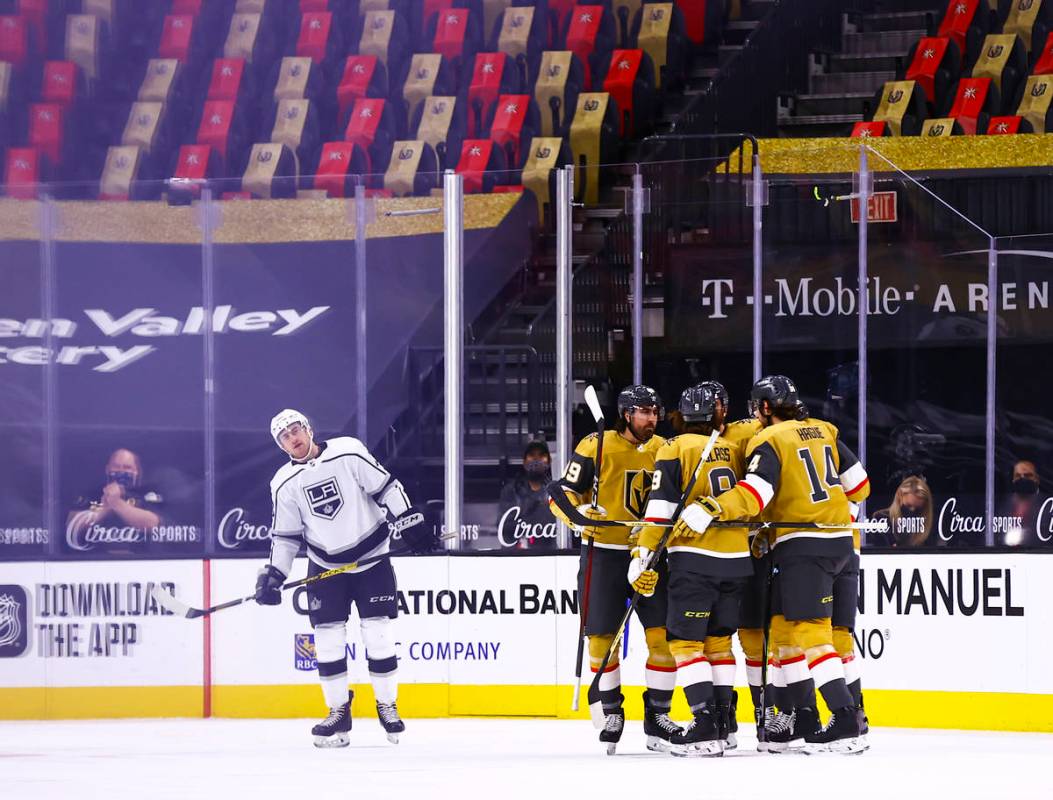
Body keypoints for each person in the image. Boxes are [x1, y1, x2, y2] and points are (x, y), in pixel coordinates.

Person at [675, 376, 871, 754]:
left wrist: (712, 507)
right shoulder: (825, 430)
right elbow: (860, 487)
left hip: (802, 545)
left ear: (765, 408)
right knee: (791, 632)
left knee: (811, 633)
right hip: (842, 543)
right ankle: (818, 716)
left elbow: (754, 493)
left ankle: (844, 717)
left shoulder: (769, 439)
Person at [254, 409, 438, 748]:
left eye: (296, 429)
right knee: (327, 640)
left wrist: (410, 521)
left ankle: (387, 704)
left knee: (378, 633)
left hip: (372, 558)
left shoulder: (348, 451)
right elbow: (286, 537)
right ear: (281, 446)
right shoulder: (283, 483)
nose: (293, 438)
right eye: (285, 437)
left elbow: (386, 488)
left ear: (308, 428)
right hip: (325, 566)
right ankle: (338, 710)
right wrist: (274, 574)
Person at [548, 385, 676, 754]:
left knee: (662, 637)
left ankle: (658, 716)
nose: (652, 419)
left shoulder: (663, 449)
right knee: (603, 640)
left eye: (655, 412)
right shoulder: (595, 445)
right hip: (603, 554)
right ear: (626, 415)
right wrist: (579, 517)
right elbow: (561, 494)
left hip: (649, 555)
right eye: (644, 412)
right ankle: (611, 709)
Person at [631, 381, 751, 757]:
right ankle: (725, 725)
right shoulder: (732, 449)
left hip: (695, 561)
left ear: (681, 415)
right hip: (737, 560)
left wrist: (642, 553)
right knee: (719, 643)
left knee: (684, 643)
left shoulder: (674, 447)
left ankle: (703, 725)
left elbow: (660, 510)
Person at [66, 448, 163, 547]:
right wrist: (105, 508)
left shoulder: (148, 494)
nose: (121, 471)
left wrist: (116, 503)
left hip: (141, 558)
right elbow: (72, 524)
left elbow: (153, 524)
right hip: (97, 558)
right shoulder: (93, 493)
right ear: (107, 469)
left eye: (127, 467)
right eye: (116, 466)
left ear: (136, 471)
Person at [497, 441, 557, 549]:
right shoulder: (511, 491)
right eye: (532, 455)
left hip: (550, 556)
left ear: (549, 462)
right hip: (518, 557)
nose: (536, 459)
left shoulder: (556, 492)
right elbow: (505, 529)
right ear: (524, 462)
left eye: (541, 455)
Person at [871, 475, 934, 547]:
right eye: (908, 506)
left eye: (918, 509)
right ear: (899, 497)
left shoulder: (931, 525)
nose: (912, 511)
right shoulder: (881, 518)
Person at [999, 460, 1050, 546]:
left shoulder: (1047, 506)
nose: (1023, 479)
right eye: (1018, 476)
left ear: (1036, 479)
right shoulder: (1002, 505)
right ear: (1013, 480)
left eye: (1028, 475)